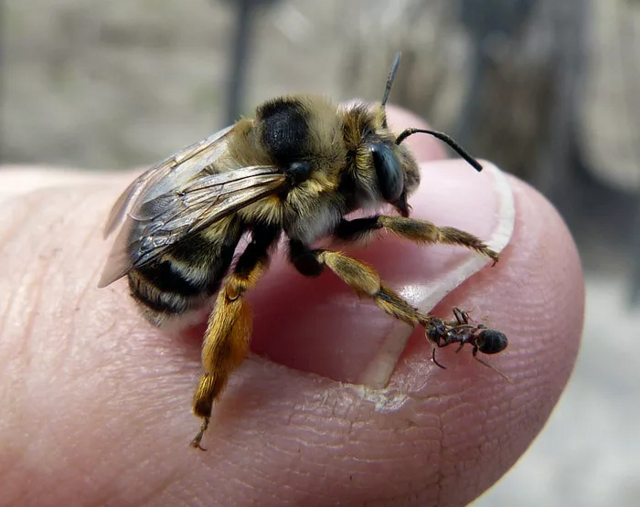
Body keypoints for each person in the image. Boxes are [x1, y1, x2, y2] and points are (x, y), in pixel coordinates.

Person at [0, 106, 583, 506]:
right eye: (384, 176)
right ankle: (208, 396)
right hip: (173, 265)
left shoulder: (302, 144)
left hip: (182, 207)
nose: (395, 192)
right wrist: (447, 246)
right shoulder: (300, 174)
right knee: (250, 283)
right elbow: (347, 238)